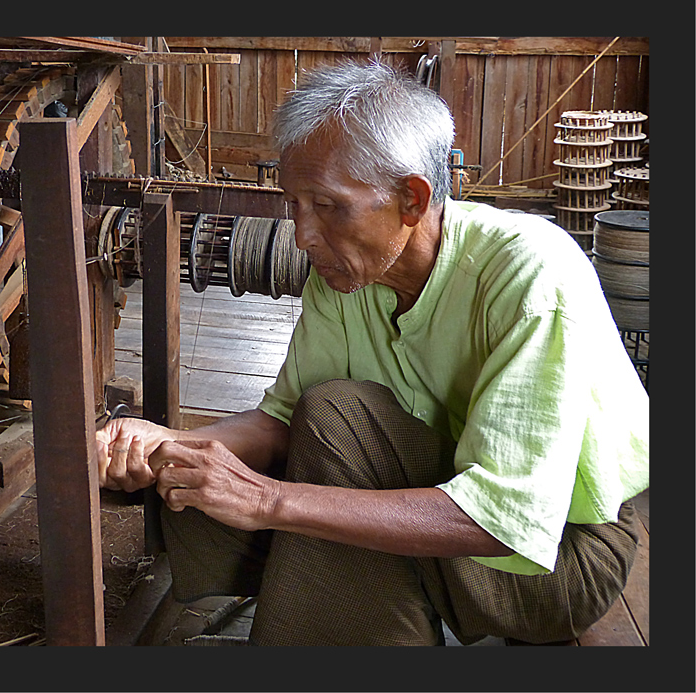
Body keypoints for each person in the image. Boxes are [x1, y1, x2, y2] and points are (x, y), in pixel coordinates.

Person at [95, 60, 649, 646]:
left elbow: (501, 519)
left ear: (411, 199)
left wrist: (271, 500)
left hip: (559, 555)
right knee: (241, 468)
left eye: (328, 205)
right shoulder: (346, 276)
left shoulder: (530, 270)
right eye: (295, 205)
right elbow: (279, 423)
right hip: (452, 511)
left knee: (333, 433)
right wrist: (163, 443)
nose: (304, 234)